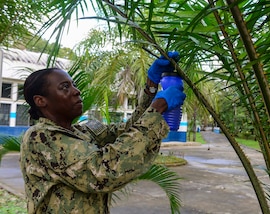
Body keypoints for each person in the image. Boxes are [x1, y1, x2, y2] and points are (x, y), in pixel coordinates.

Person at [20, 52, 186, 214]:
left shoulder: (81, 132)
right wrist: (158, 107)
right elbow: (105, 171)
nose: (76, 91)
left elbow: (129, 130)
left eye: (73, 85)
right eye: (65, 87)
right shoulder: (40, 137)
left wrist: (151, 86)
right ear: (41, 101)